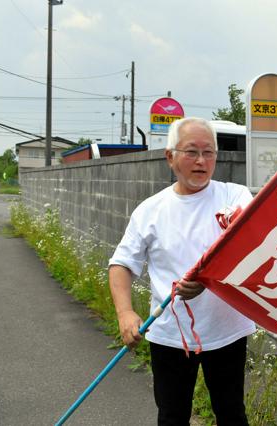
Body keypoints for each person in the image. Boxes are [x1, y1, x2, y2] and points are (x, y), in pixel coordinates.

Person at [108, 117, 255, 426]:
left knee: (231, 414)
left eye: (209, 152)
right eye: (191, 152)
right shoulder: (150, 210)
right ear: (170, 156)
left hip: (226, 331)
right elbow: (121, 264)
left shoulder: (235, 196)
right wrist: (125, 313)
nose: (201, 161)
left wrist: (208, 278)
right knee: (172, 416)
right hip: (169, 334)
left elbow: (249, 242)